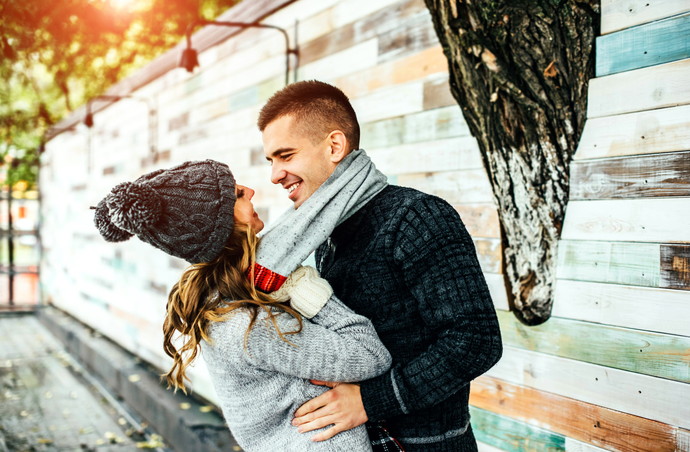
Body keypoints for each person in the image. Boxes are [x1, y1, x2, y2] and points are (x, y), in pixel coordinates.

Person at [258, 80, 503, 451]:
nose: (275, 175)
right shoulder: (327, 234)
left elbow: (476, 340)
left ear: (335, 146)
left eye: (286, 156)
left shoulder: (416, 217)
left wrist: (370, 401)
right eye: (271, 161)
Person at [91, 159, 394, 451]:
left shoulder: (225, 299)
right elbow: (371, 356)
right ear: (221, 227)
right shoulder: (249, 325)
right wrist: (305, 286)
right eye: (237, 194)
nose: (249, 190)